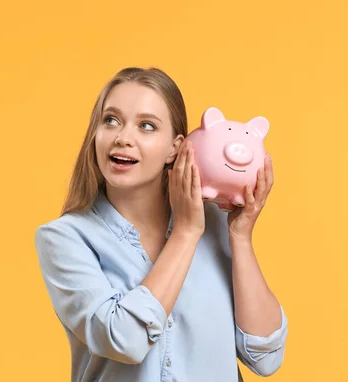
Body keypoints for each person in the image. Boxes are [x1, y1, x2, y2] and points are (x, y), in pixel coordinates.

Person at [34, 67, 288, 382]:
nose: (123, 138)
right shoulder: (64, 239)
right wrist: (185, 233)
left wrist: (240, 236)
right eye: (110, 120)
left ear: (175, 148)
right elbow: (125, 340)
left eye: (146, 126)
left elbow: (266, 357)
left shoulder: (217, 225)